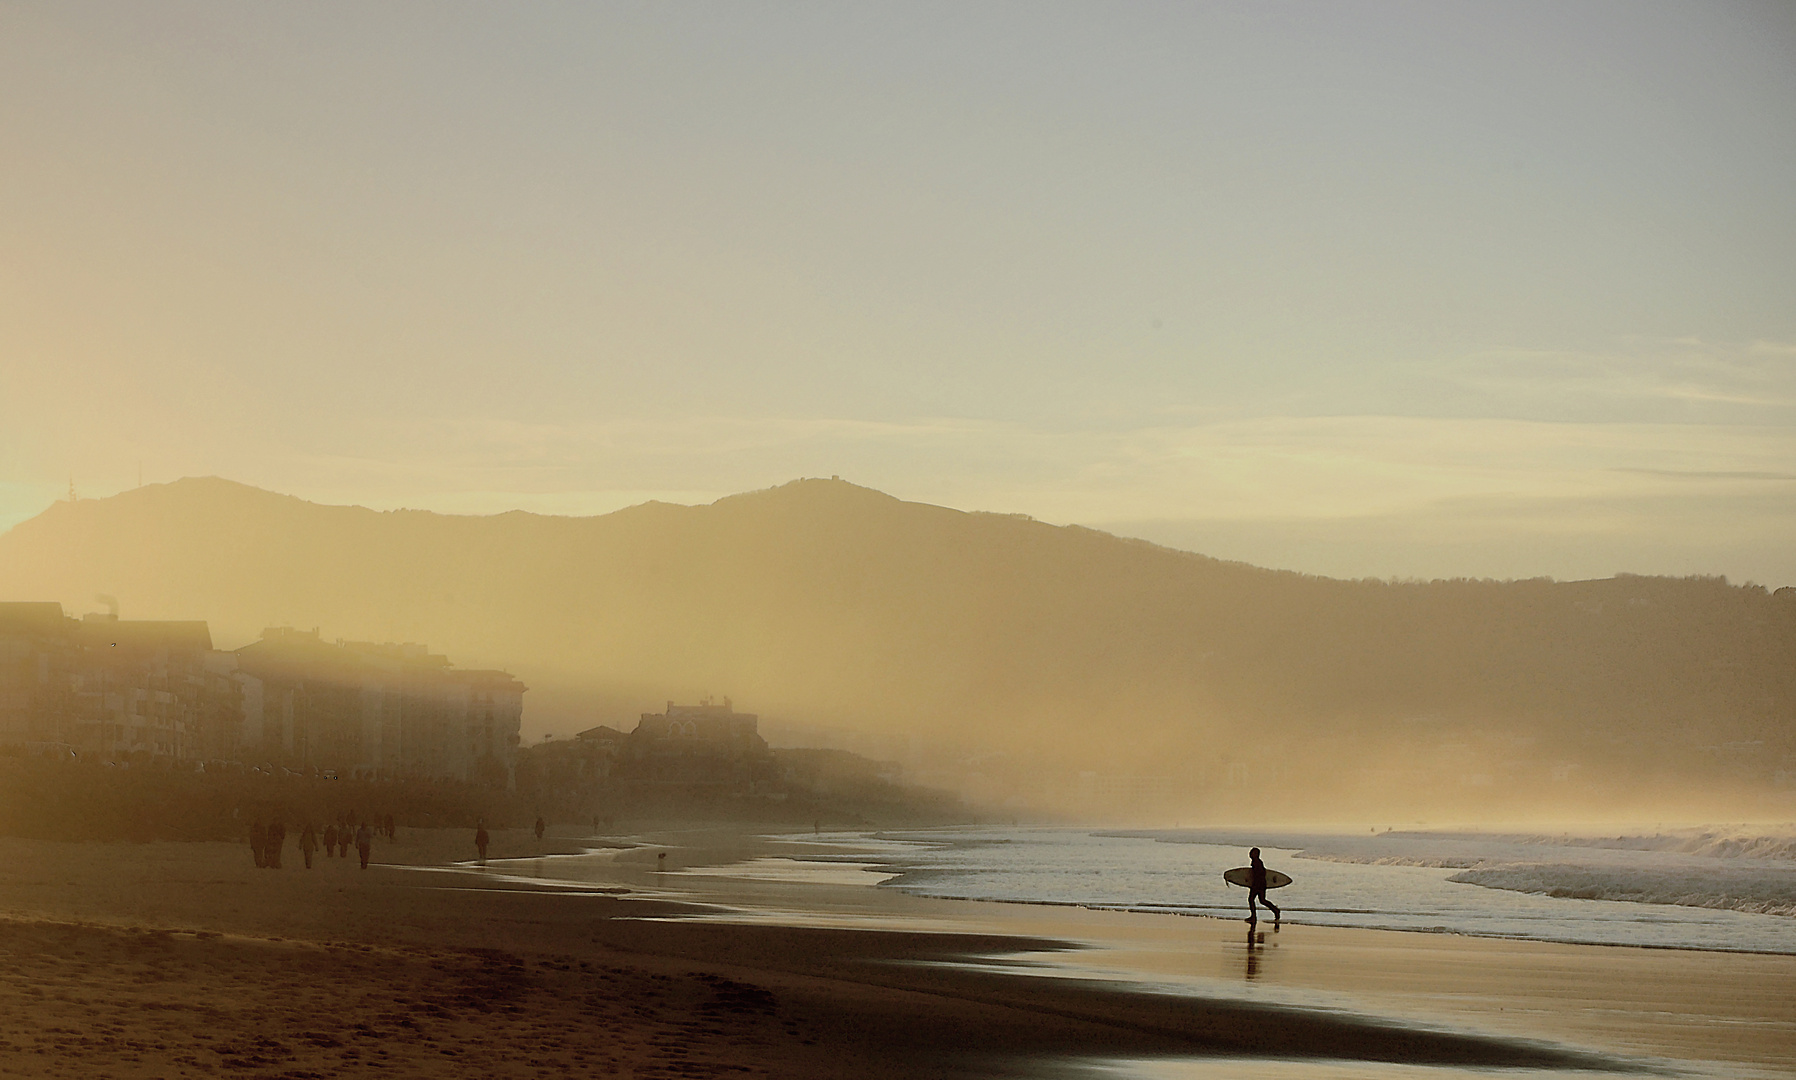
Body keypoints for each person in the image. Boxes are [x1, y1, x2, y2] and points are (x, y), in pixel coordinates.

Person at [1246, 847, 1280, 926]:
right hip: (1261, 884)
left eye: (1252, 853)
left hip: (1258, 884)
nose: (1250, 854)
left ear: (1256, 854)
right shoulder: (1257, 862)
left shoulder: (1256, 862)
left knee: (1251, 899)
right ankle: (1275, 910)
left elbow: (1260, 874)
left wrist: (1253, 884)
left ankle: (1254, 917)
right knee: (1262, 900)